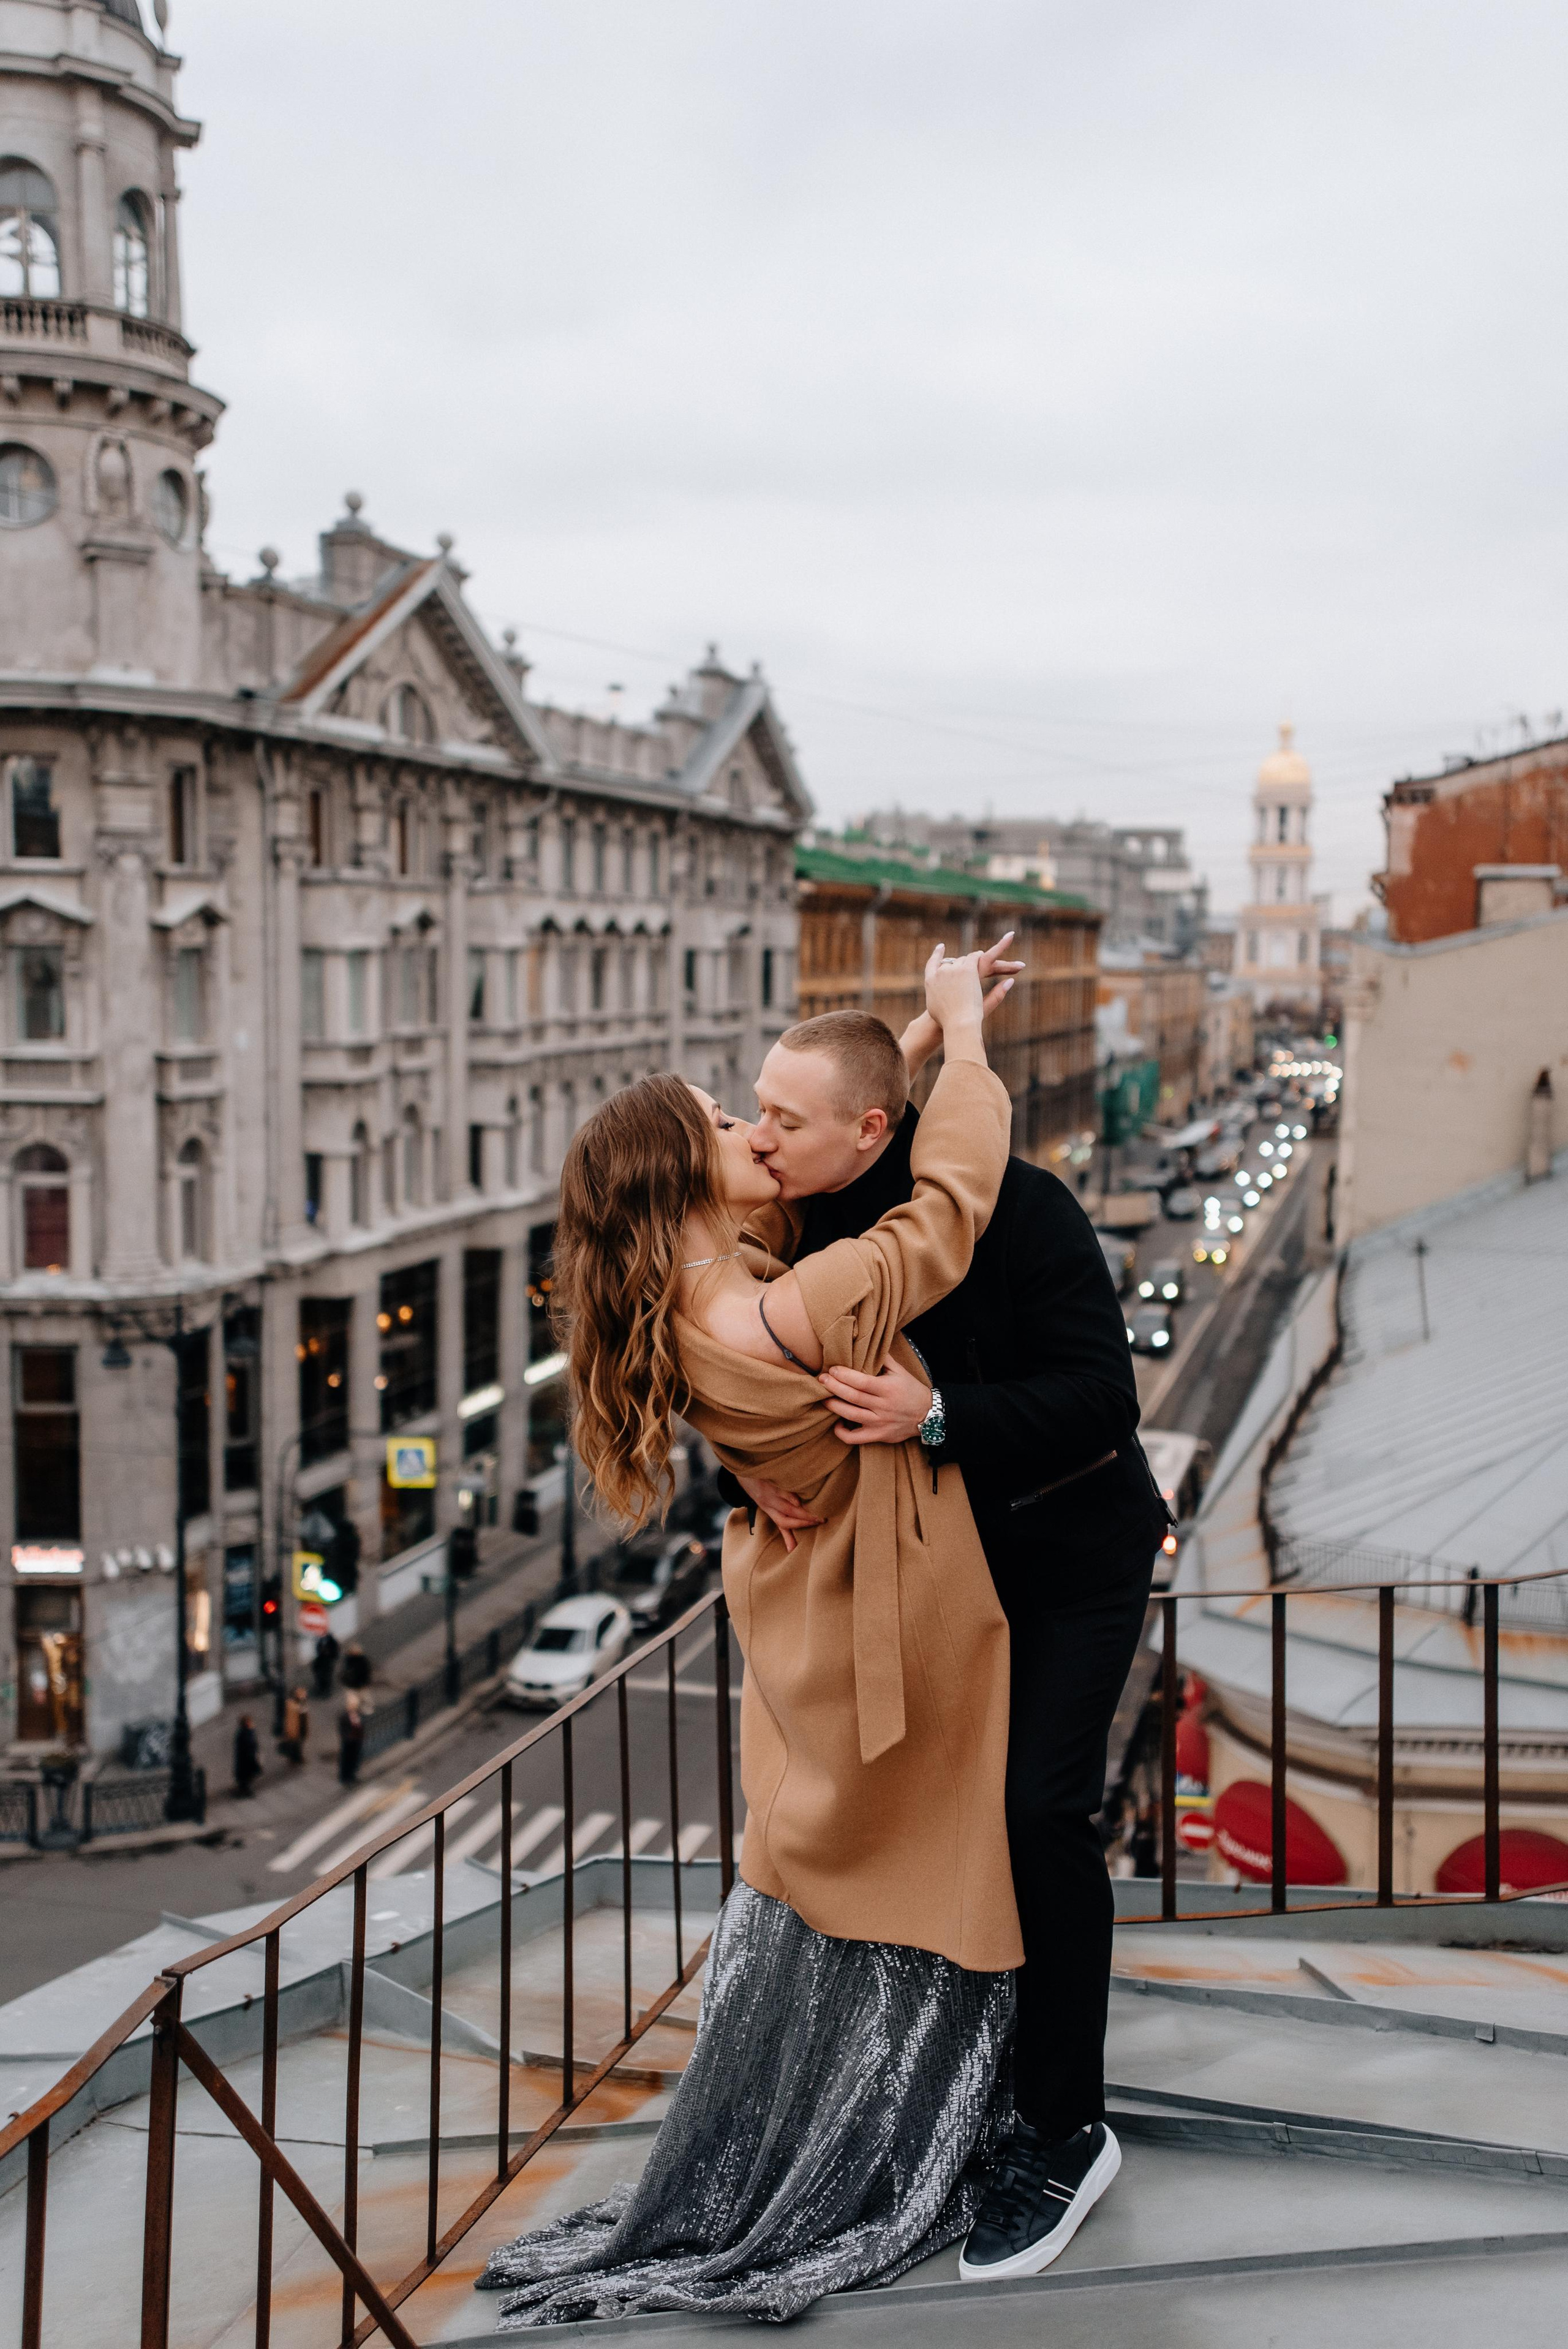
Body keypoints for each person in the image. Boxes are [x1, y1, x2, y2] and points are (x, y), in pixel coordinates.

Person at [478, 949, 1019, 2329]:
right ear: (681, 1180)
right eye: (729, 1125)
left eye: (765, 1116)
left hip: (807, 1611)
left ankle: (797, 2119)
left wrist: (887, 1058)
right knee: (917, 1881)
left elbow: (823, 1166)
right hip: (885, 1608)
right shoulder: (787, 1303)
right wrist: (958, 1044)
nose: (755, 1134)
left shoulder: (702, 1296)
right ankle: (885, 2141)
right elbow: (945, 1211)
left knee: (828, 1880)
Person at [721, 943, 1172, 2282]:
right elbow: (742, 1380)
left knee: (1039, 1812)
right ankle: (942, 2091)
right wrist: (748, 1468)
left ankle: (1062, 2130)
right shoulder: (799, 1226)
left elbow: (1103, 1402)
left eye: (781, 1119)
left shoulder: (1021, 1210)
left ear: (865, 1133)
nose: (757, 1132)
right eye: (754, 1107)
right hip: (942, 1583)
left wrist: (936, 1419)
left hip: (1069, 1557)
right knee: (929, 1821)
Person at [337, 1692, 364, 1785]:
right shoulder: (344, 1717)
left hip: (357, 1741)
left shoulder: (357, 1715)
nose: (354, 1707)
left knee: (354, 1760)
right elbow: (342, 1730)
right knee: (346, 1760)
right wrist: (348, 1738)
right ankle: (345, 1777)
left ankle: (352, 1775)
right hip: (348, 1743)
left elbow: (360, 1727)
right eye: (352, 1705)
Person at [232, 1713, 261, 1799]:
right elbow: (251, 1746)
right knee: (246, 1778)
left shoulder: (243, 1733)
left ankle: (245, 1790)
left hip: (244, 1761)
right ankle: (245, 1791)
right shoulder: (247, 1734)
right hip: (247, 1760)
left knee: (245, 1778)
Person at [279, 1685, 309, 1767]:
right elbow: (290, 1721)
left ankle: (298, 1757)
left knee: (300, 1744)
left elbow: (304, 1713)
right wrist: (290, 1732)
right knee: (294, 1745)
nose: (304, 1694)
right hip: (295, 1730)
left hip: (302, 1727)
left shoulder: (302, 1702)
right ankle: (294, 1759)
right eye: (301, 1693)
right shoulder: (291, 1705)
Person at [310, 1630, 340, 1700]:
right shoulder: (321, 1641)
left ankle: (326, 1691)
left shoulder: (331, 1642)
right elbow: (318, 1650)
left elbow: (335, 1651)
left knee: (327, 1677)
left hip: (327, 1662)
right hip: (322, 1662)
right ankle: (322, 1690)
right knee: (321, 1677)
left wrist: (331, 1656)